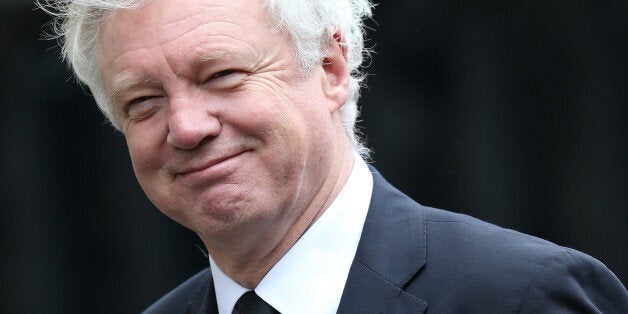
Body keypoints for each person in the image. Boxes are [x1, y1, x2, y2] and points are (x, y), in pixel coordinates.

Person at [40, 0, 627, 312]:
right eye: (143, 102)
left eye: (222, 75)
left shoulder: (519, 299)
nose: (187, 127)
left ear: (330, 68)